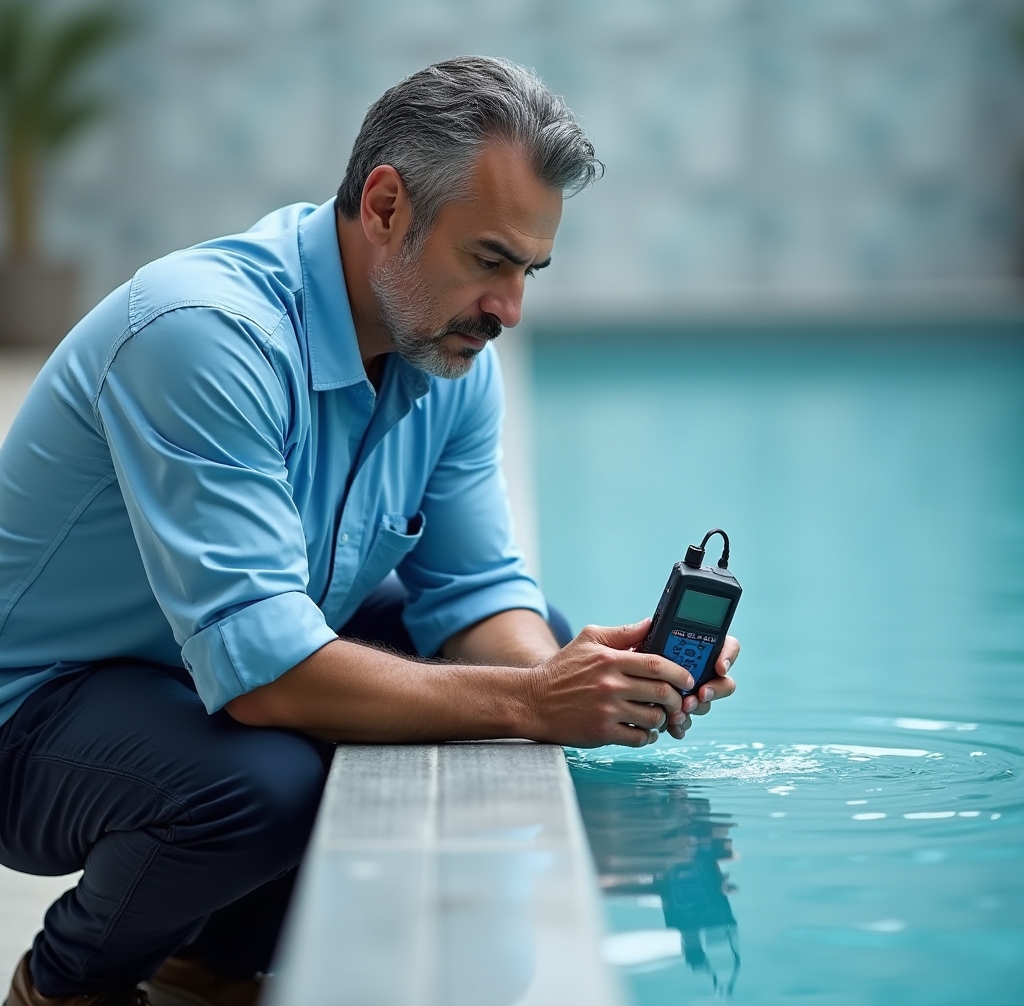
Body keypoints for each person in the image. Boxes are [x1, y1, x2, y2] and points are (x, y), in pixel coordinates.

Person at [0, 57, 739, 1006]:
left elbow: (476, 592)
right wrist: (529, 703)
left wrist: (573, 679)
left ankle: (214, 967)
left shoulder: (449, 359)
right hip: (36, 715)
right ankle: (65, 988)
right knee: (264, 779)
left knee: (525, 632)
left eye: (527, 271)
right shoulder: (202, 334)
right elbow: (267, 675)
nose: (510, 310)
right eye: (488, 261)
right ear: (385, 206)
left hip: (191, 677)